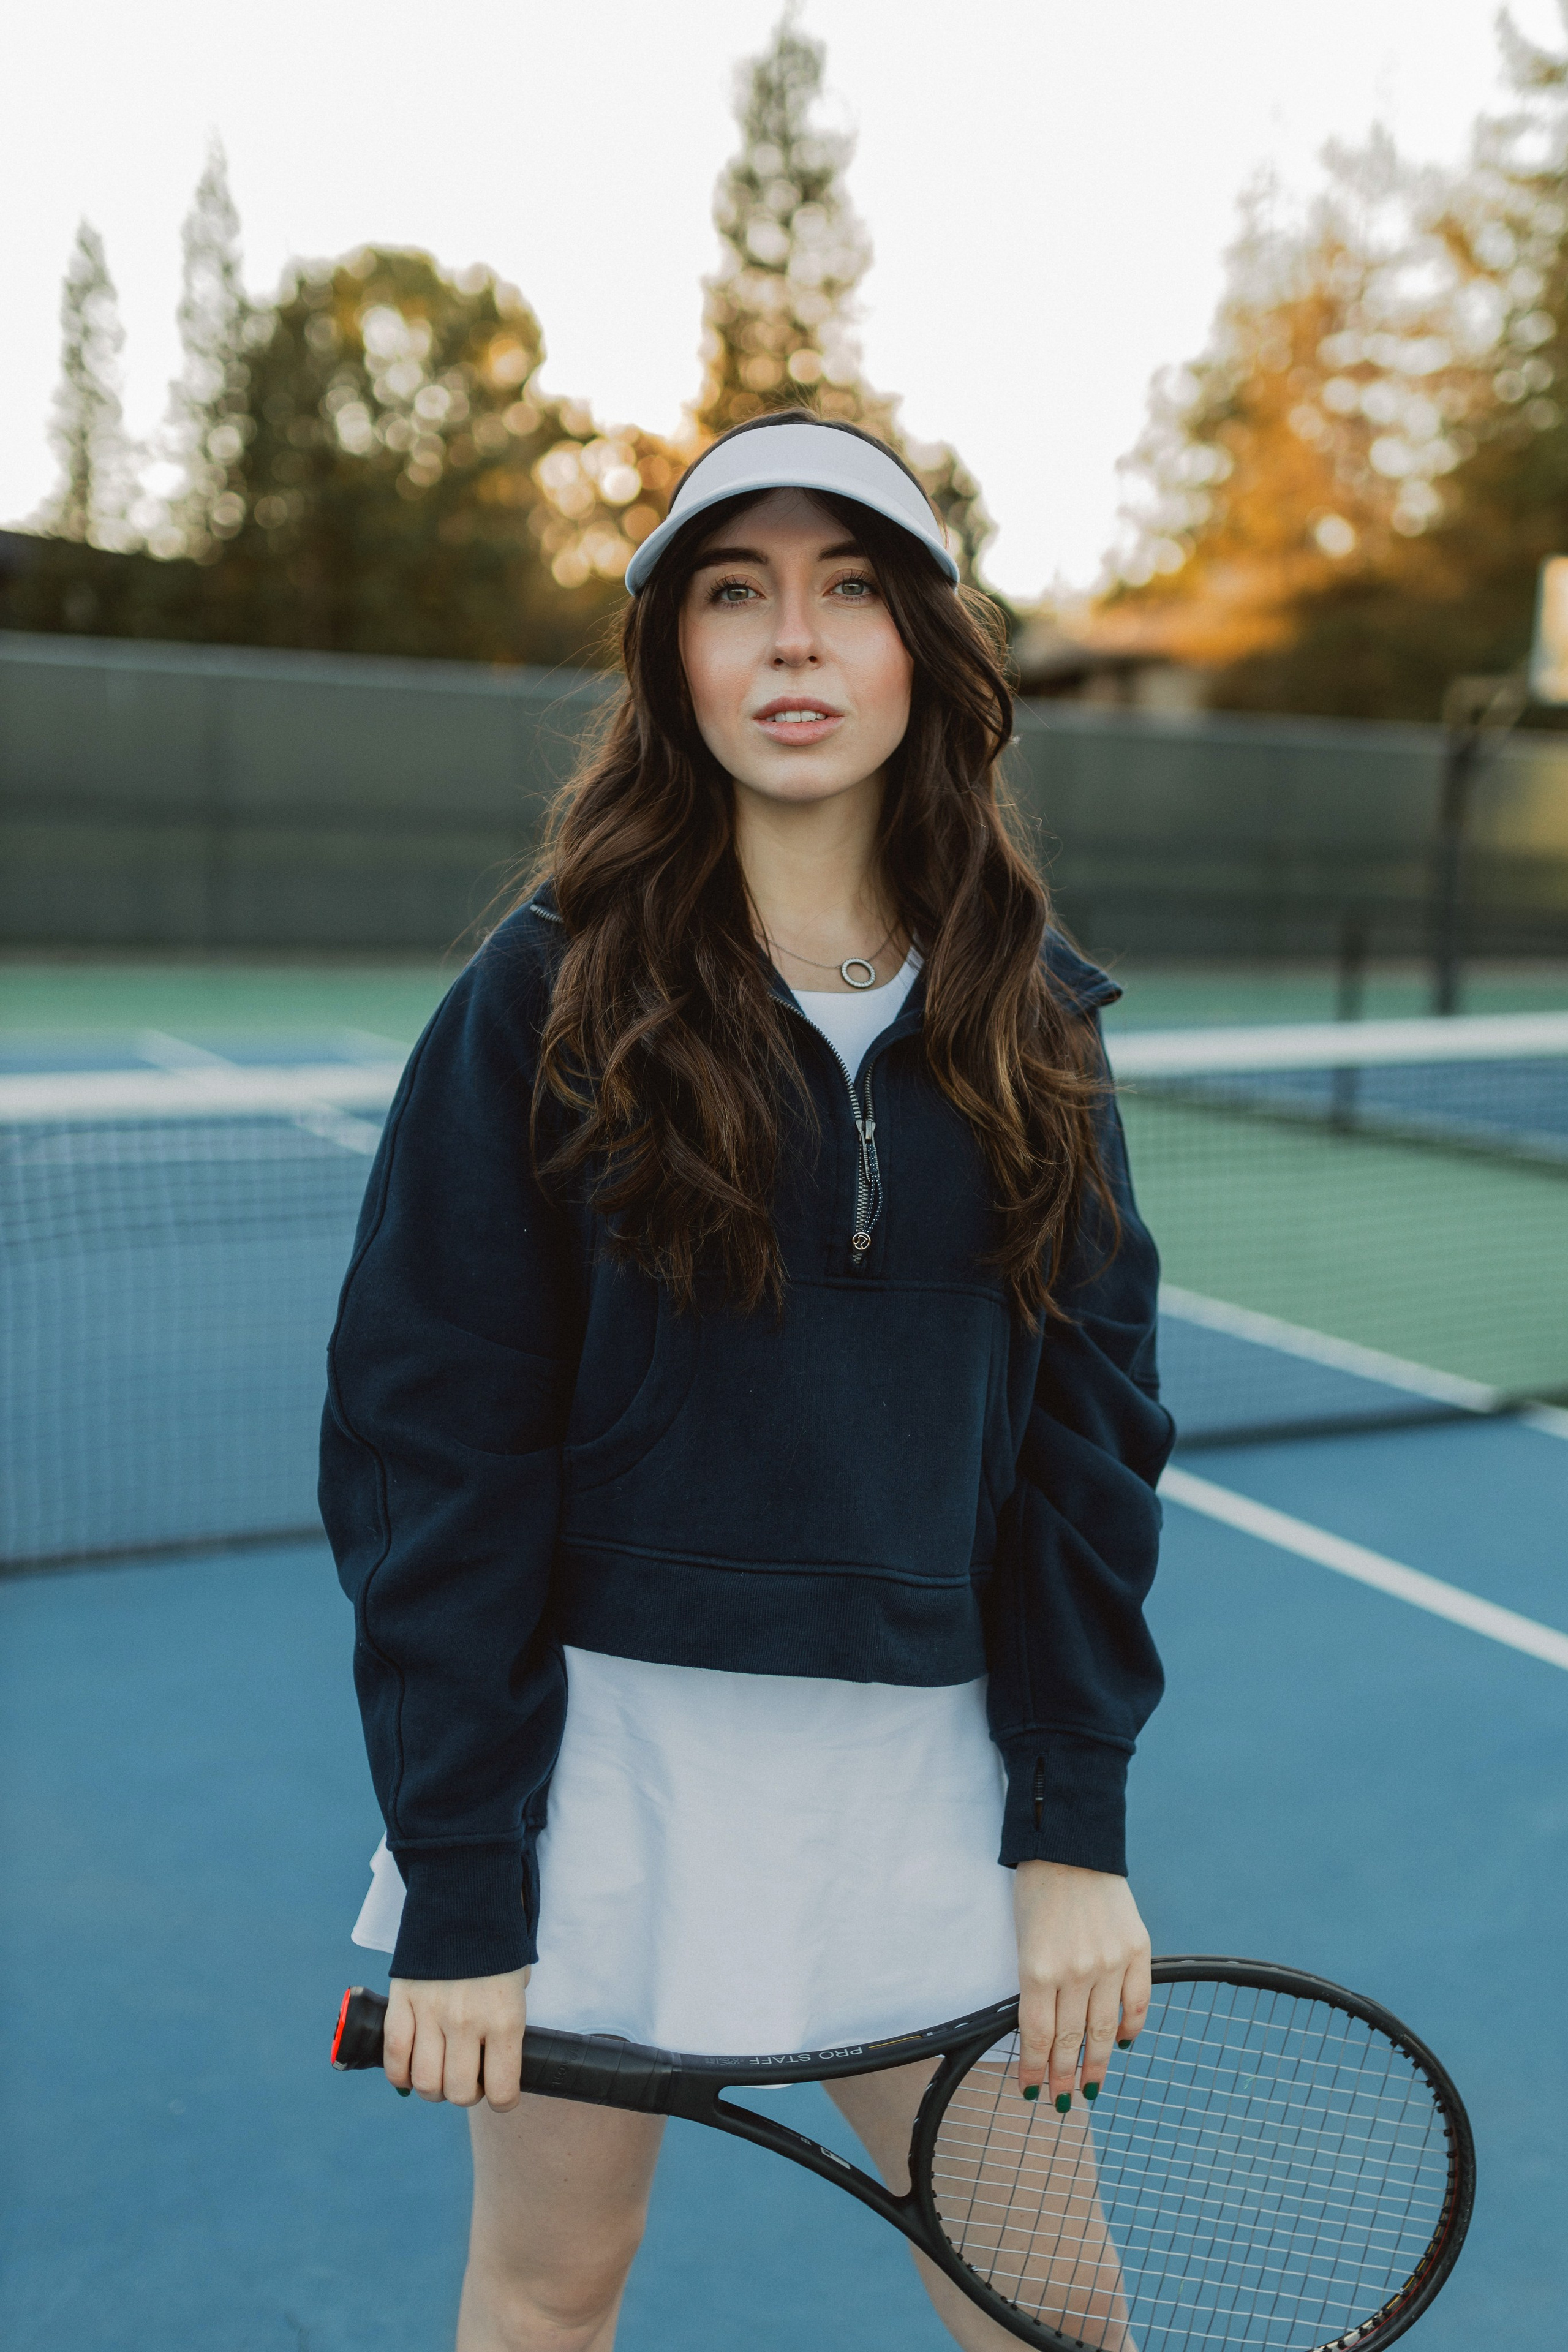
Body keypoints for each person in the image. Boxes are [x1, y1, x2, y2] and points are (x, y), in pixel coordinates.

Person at [322, 409, 1174, 2352]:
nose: (795, 642)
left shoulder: (1036, 1024)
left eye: (851, 589)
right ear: (676, 661)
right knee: (552, 2294)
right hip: (599, 1776)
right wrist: (464, 1878)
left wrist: (1072, 1829)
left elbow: (1091, 1442)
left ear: (925, 657)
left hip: (932, 1787)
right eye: (737, 594)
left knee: (1058, 2317)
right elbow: (427, 1448)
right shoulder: (539, 1001)